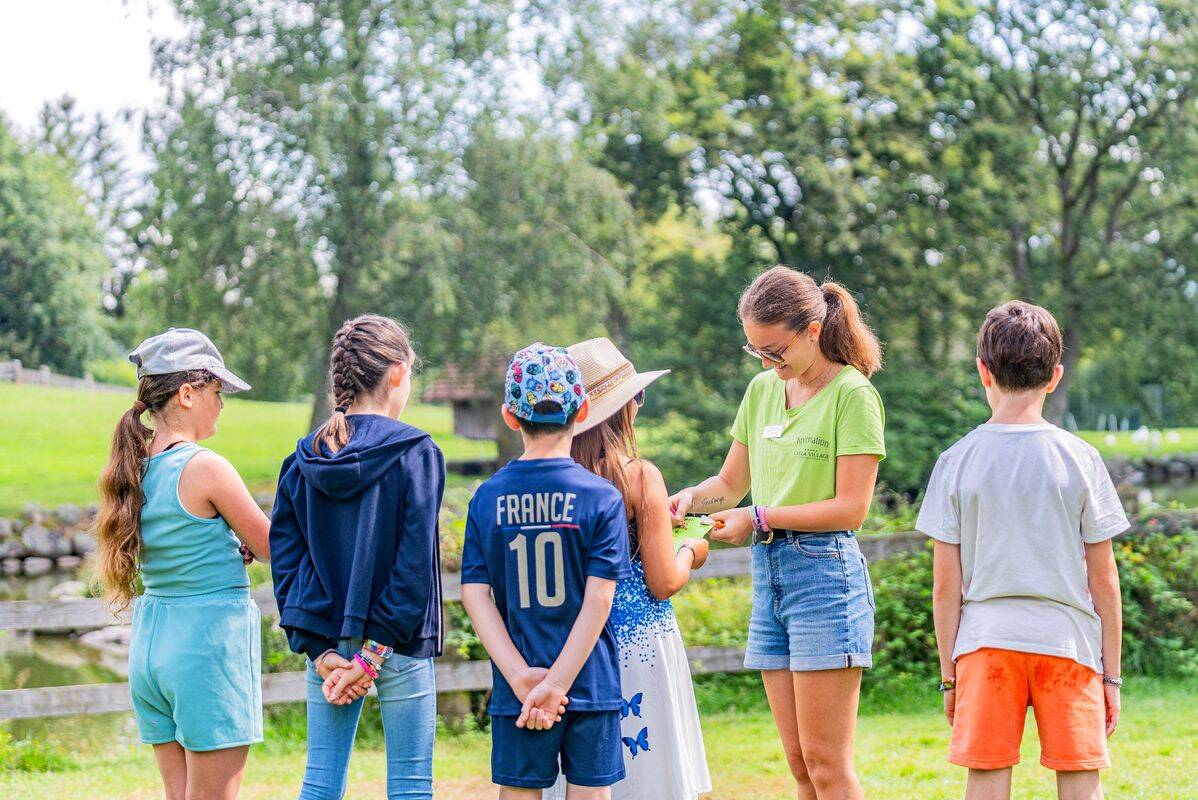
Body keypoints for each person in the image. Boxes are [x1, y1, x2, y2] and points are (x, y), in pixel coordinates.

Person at [670, 266, 886, 799]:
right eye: (757, 352)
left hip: (825, 578)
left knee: (827, 764)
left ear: (812, 330)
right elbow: (731, 483)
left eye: (775, 349)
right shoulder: (763, 390)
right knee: (798, 764)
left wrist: (761, 518)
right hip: (770, 578)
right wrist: (688, 500)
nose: (768, 362)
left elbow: (851, 509)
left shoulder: (852, 396)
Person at [917, 301, 1127, 800]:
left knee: (987, 779)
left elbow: (946, 587)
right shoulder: (1081, 459)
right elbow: (1105, 583)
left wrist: (949, 677)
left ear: (982, 371)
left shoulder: (955, 461)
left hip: (986, 643)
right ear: (1054, 376)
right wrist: (1111, 676)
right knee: (1080, 783)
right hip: (1068, 644)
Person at [269, 314, 445, 800]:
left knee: (320, 784)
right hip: (401, 644)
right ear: (395, 374)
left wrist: (320, 650)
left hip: (327, 647)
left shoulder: (302, 460)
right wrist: (371, 656)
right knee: (411, 787)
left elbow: (286, 566)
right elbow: (412, 567)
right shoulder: (417, 452)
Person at [95, 328, 271, 800]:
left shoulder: (136, 469)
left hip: (153, 645)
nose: (222, 404)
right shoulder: (206, 466)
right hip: (205, 647)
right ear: (188, 394)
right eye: (217, 392)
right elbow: (277, 546)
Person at [460, 342, 630, 800]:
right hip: (589, 682)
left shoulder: (486, 497)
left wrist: (521, 678)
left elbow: (475, 596)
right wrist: (558, 684)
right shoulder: (601, 497)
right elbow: (599, 600)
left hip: (519, 687)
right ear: (585, 409)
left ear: (510, 417)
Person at [544, 337, 712, 800]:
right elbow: (662, 582)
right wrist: (693, 549)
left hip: (573, 648)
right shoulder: (638, 477)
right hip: (641, 646)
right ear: (623, 407)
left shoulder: (555, 482)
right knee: (650, 780)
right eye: (637, 396)